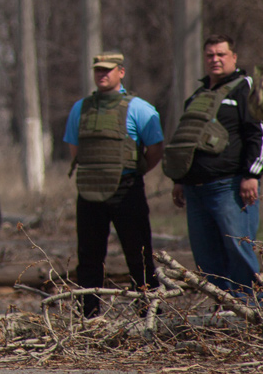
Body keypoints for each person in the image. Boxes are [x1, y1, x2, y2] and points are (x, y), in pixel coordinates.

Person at [63, 52, 164, 318]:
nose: (102, 74)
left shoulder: (139, 108)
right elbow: (75, 149)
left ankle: (150, 317)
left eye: (107, 70)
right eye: (98, 70)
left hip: (127, 190)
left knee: (139, 256)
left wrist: (135, 171)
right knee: (89, 258)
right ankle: (89, 318)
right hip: (89, 191)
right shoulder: (80, 108)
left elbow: (155, 149)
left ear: (121, 72)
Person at [165, 34, 263, 297]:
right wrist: (179, 179)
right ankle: (221, 313)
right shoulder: (198, 95)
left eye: (221, 54)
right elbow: (187, 140)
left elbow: (258, 134)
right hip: (195, 191)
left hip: (230, 188)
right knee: (206, 258)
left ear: (234, 57)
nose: (215, 59)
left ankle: (250, 310)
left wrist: (252, 175)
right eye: (210, 55)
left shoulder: (247, 88)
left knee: (238, 252)